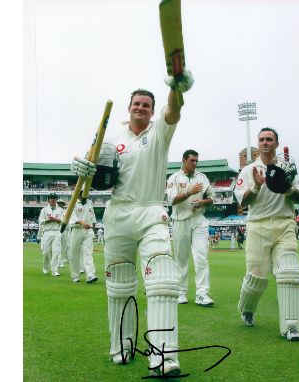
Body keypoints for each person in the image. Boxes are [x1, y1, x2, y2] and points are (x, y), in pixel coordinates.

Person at [71, 72, 193, 377]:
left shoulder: (161, 132)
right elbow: (94, 179)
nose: (141, 108)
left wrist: (176, 90)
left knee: (163, 280)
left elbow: (174, 109)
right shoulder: (110, 141)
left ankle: (164, 356)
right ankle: (122, 347)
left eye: (146, 105)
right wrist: (83, 167)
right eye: (137, 104)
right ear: (129, 108)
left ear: (152, 111)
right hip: (119, 213)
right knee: (120, 284)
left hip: (152, 211)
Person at [233, 127, 299, 341]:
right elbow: (242, 201)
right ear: (258, 144)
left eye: (269, 139)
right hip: (258, 226)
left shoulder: (287, 169)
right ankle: (247, 309)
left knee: (290, 273)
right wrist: (255, 187)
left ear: (276, 143)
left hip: (285, 224)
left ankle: (291, 327)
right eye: (262, 139)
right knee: (256, 277)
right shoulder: (248, 171)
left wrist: (287, 189)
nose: (265, 142)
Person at [167, 149, 214, 306]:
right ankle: (181, 292)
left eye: (196, 161)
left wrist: (202, 202)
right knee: (181, 258)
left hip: (198, 219)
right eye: (191, 160)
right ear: (184, 160)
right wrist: (188, 193)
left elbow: (211, 198)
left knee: (201, 256)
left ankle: (202, 294)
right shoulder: (174, 178)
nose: (194, 163)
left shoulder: (202, 177)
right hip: (181, 220)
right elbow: (172, 200)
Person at [67, 191, 99, 284]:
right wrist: (83, 223)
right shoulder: (73, 203)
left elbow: (93, 217)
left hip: (88, 231)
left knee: (88, 253)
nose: (86, 195)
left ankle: (90, 275)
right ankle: (75, 276)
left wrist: (93, 229)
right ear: (79, 194)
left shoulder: (89, 203)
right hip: (77, 230)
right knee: (74, 254)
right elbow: (72, 217)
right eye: (84, 193)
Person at [38, 193, 63, 276]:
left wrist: (56, 220)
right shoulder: (44, 209)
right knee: (46, 252)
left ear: (56, 200)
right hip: (47, 232)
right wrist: (48, 220)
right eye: (51, 198)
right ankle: (45, 267)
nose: (53, 200)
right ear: (48, 200)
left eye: (54, 198)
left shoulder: (60, 210)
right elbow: (40, 221)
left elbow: (64, 221)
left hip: (56, 231)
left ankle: (55, 270)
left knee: (56, 252)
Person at [57, 199, 69, 267]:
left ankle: (61, 261)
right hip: (57, 230)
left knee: (64, 246)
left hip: (65, 230)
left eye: (61, 203)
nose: (60, 205)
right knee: (57, 246)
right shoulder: (55, 211)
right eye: (59, 203)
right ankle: (57, 261)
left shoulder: (66, 211)